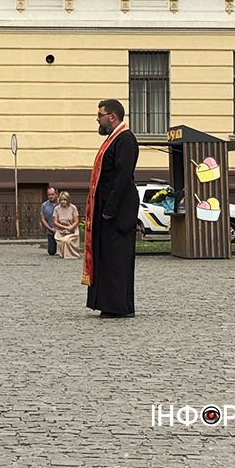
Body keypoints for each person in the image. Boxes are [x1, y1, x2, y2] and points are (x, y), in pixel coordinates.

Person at [83, 99, 139, 318]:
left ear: (112, 117)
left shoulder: (125, 139)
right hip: (106, 209)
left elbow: (122, 177)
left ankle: (118, 306)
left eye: (100, 114)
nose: (97, 119)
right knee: (107, 258)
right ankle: (107, 302)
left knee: (116, 259)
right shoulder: (112, 139)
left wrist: (110, 209)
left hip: (116, 213)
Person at [53, 191, 81, 260]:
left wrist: (71, 227)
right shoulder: (56, 209)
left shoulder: (73, 207)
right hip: (61, 230)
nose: (63, 201)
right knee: (62, 240)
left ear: (68, 200)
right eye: (61, 200)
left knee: (66, 240)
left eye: (65, 200)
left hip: (72, 230)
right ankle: (63, 253)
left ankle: (71, 254)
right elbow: (55, 222)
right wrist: (63, 227)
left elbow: (77, 220)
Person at [39, 186, 59, 256]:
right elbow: (42, 219)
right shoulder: (44, 205)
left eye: (52, 194)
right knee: (51, 252)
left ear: (56, 194)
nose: (51, 196)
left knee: (62, 251)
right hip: (51, 231)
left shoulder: (61, 203)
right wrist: (50, 228)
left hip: (61, 230)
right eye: (49, 195)